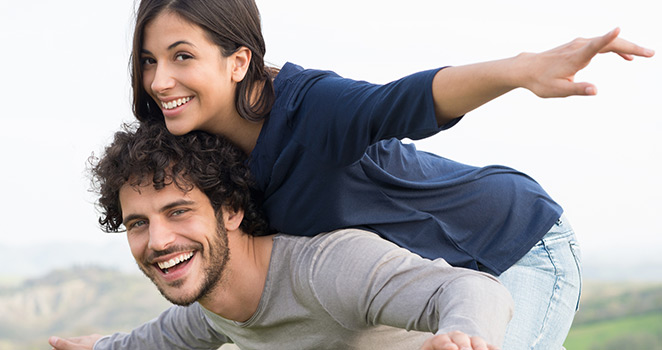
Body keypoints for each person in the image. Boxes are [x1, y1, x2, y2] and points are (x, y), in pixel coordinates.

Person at [129, 1, 654, 348]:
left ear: (238, 60)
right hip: (440, 278)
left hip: (515, 243)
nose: (160, 79)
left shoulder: (311, 110)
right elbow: (215, 293)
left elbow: (399, 101)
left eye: (182, 56)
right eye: (149, 60)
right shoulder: (200, 150)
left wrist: (518, 70)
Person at [49, 122, 513, 350]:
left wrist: (463, 337)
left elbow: (469, 287)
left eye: (178, 211)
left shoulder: (324, 269)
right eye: (138, 223)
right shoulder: (213, 305)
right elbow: (154, 342)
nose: (159, 240)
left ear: (230, 210)